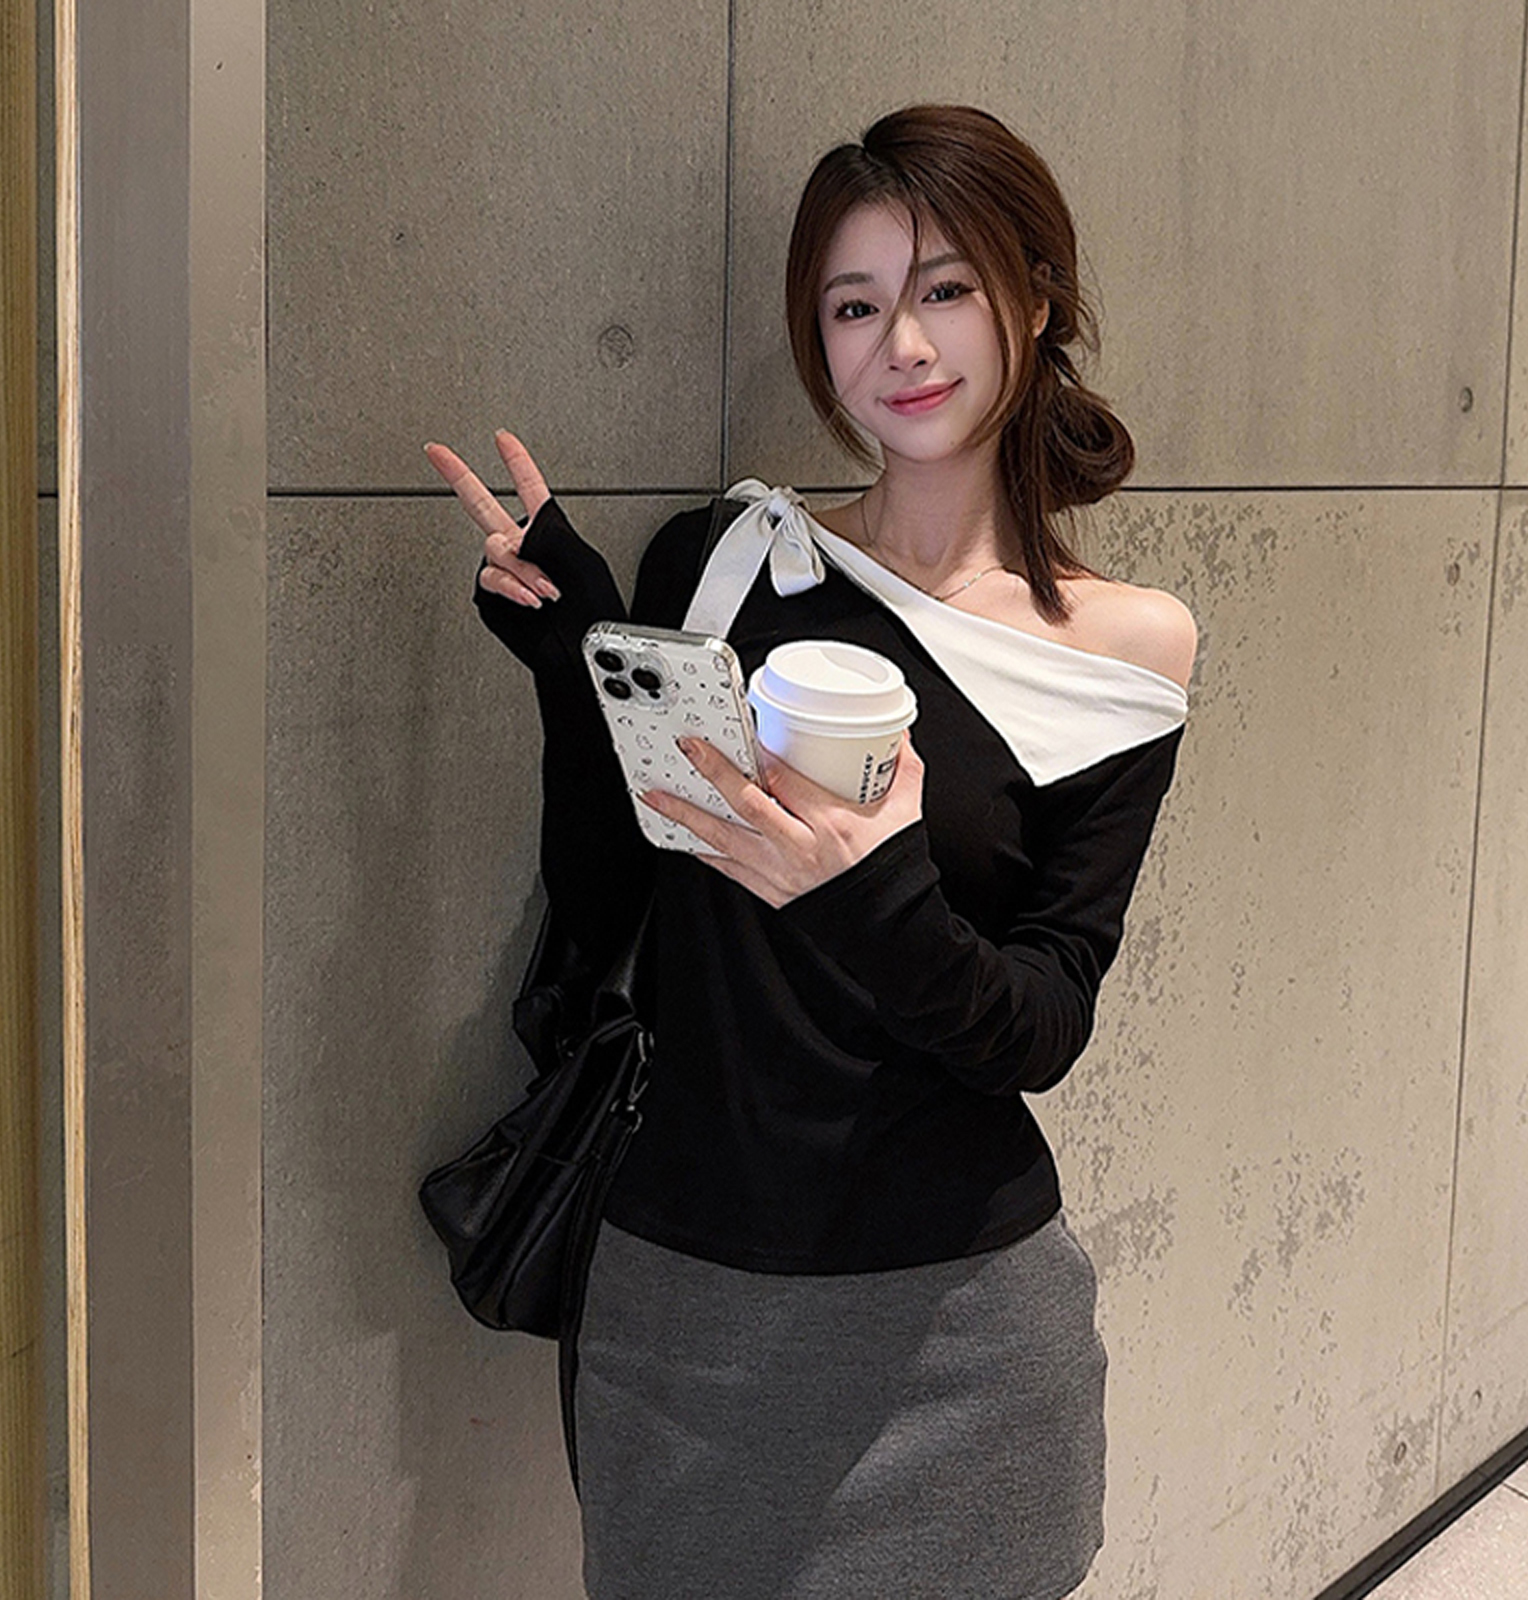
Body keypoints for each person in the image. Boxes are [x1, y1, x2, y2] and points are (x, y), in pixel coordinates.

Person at [425, 102, 1196, 1600]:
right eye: (855, 306)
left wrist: (865, 890)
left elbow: (1041, 1027)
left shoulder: (1121, 648)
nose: (900, 344)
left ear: (1036, 299)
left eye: (945, 289)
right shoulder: (725, 563)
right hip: (686, 1300)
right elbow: (611, 898)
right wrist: (577, 658)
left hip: (967, 1324)